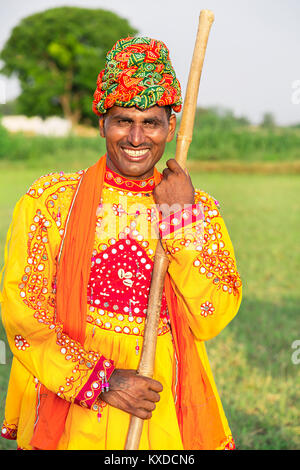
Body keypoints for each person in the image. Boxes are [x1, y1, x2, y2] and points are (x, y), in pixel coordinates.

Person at [0, 36, 242, 450]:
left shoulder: (194, 206)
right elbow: (23, 309)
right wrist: (103, 380)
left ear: (170, 127)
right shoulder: (53, 200)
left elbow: (213, 315)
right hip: (74, 396)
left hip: (158, 398)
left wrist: (179, 221)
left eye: (150, 122)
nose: (136, 137)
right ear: (102, 124)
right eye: (123, 120)